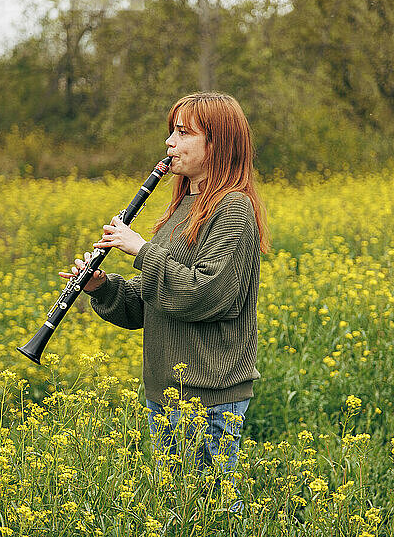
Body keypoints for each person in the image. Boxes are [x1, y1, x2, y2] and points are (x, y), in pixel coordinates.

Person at [59, 91, 270, 513]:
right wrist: (103, 287)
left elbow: (204, 294)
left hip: (207, 395)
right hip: (166, 389)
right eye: (171, 131)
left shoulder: (234, 209)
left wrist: (141, 251)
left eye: (183, 132)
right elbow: (152, 298)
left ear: (218, 143)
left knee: (211, 513)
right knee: (179, 511)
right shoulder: (183, 206)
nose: (170, 143)